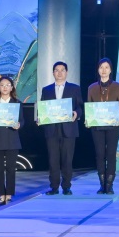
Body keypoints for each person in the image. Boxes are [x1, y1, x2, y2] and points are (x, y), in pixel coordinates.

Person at [39, 61, 82, 195]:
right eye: (56, 70)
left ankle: (66, 186)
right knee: (53, 160)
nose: (59, 73)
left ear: (66, 72)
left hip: (69, 129)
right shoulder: (46, 90)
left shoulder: (74, 88)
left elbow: (80, 106)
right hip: (51, 129)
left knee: (67, 160)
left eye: (62, 70)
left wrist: (76, 113)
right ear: (53, 73)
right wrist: (40, 117)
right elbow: (42, 109)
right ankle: (54, 187)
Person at [86, 58, 119, 194]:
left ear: (110, 70)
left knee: (111, 154)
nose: (104, 70)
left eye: (106, 67)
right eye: (101, 67)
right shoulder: (92, 88)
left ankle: (109, 184)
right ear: (98, 70)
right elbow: (89, 106)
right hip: (97, 127)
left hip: (113, 126)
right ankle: (102, 184)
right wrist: (89, 119)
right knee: (100, 154)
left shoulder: (117, 86)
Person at [0, 76, 24, 205]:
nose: (5, 87)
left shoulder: (17, 103)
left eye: (7, 85)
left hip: (12, 139)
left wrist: (19, 125)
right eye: (2, 85)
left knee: (10, 169)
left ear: (12, 87)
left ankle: (9, 194)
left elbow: (22, 120)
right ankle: (1, 195)